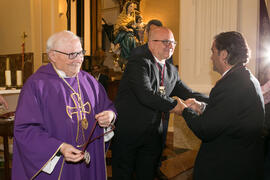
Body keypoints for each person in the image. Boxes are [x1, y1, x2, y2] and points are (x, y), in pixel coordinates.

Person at [12, 30, 116, 180]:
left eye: (81, 53)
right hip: (59, 166)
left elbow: (108, 106)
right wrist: (59, 147)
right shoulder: (37, 85)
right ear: (52, 56)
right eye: (72, 54)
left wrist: (110, 116)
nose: (79, 59)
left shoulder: (89, 81)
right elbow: (25, 129)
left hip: (89, 159)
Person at [111, 27, 208, 180]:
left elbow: (187, 93)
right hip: (129, 133)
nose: (171, 46)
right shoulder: (139, 62)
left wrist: (212, 100)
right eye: (165, 42)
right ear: (151, 43)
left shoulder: (171, 70)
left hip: (153, 135)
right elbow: (146, 95)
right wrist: (176, 106)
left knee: (147, 174)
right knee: (123, 175)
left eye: (173, 42)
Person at [175, 31, 265, 180]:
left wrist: (184, 110)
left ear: (223, 54)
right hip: (241, 162)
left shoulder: (232, 84)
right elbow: (227, 113)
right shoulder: (244, 77)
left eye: (213, 51)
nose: (211, 57)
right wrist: (202, 107)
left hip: (227, 168)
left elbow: (205, 129)